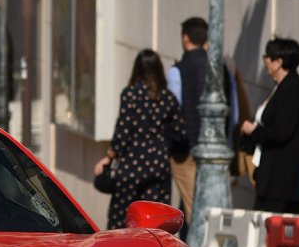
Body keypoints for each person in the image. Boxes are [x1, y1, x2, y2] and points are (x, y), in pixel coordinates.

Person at [95, 49, 187, 230]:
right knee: (157, 220)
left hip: (132, 165)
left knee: (123, 218)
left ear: (137, 69)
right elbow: (180, 132)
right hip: (159, 166)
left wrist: (109, 156)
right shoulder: (169, 98)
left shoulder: (130, 94)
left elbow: (122, 131)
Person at [166, 17, 237, 223]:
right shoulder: (222, 69)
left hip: (186, 151)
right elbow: (234, 113)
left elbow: (172, 110)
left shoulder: (177, 71)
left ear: (185, 38)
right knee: (213, 207)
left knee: (195, 211)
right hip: (220, 149)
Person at [239, 38, 299, 214]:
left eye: (267, 57)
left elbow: (281, 132)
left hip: (281, 177)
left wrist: (254, 130)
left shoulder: (291, 87)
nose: (265, 61)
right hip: (277, 173)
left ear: (278, 62)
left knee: (273, 225)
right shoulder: (283, 85)